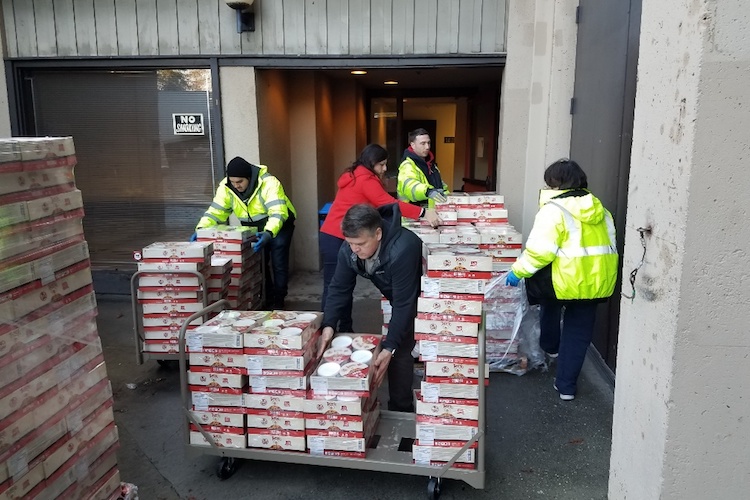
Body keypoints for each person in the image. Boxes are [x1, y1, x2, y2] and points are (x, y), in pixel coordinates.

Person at [505, 159, 618, 401]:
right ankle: (566, 386)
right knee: (579, 333)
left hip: (561, 278)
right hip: (594, 282)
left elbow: (540, 252)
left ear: (556, 184)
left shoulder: (553, 211)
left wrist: (518, 271)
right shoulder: (602, 211)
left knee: (549, 308)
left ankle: (551, 348)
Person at [319, 144, 440, 332]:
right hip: (341, 236)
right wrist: (423, 212)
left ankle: (342, 330)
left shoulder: (355, 174)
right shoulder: (365, 179)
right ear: (371, 163)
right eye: (381, 164)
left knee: (339, 285)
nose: (384, 169)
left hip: (332, 233)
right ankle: (331, 329)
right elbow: (388, 203)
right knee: (337, 286)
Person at [319, 204, 422, 412]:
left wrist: (390, 345)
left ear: (378, 233)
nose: (355, 249)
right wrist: (329, 323)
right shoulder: (350, 248)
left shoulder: (403, 248)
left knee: (399, 349)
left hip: (422, 295)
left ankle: (401, 409)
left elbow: (405, 303)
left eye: (360, 244)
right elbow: (339, 287)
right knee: (390, 345)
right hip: (398, 293)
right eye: (350, 243)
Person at [196, 156, 296, 309]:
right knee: (260, 263)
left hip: (279, 225)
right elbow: (216, 212)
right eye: (233, 182)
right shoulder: (226, 187)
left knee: (278, 262)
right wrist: (201, 230)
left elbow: (278, 213)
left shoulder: (269, 183)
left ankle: (279, 300)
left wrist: (269, 233)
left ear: (249, 178)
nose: (236, 186)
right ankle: (266, 299)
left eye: (240, 182)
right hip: (254, 227)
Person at [397, 128, 450, 207]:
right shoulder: (407, 165)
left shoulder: (432, 166)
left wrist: (447, 196)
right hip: (413, 216)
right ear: (412, 145)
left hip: (430, 214)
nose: (427, 147)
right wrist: (428, 191)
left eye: (428, 143)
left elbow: (442, 187)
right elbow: (411, 187)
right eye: (423, 143)